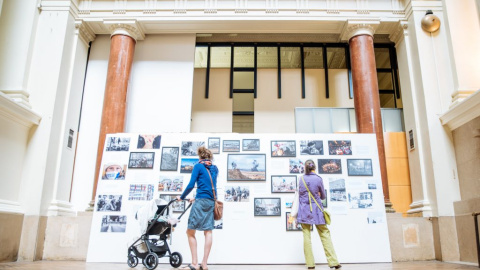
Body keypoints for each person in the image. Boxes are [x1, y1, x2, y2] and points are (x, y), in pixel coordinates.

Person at [292, 159, 341, 269]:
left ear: (305, 167)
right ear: (314, 167)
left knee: (306, 236)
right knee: (325, 234)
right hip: (317, 211)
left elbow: (300, 196)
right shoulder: (318, 179)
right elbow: (323, 196)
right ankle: (333, 262)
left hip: (304, 211)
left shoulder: (301, 179)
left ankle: (310, 264)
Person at [177, 146, 218, 270]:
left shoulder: (198, 166)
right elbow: (208, 185)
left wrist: (182, 197)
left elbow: (191, 185)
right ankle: (204, 264)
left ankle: (194, 264)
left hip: (201, 201)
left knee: (190, 232)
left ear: (200, 156)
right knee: (208, 232)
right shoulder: (215, 168)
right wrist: (196, 197)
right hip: (211, 201)